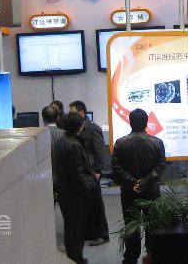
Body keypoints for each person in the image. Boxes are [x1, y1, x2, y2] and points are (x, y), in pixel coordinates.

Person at [112, 108, 166, 264]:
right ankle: (152, 255)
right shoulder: (157, 142)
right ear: (147, 122)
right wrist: (145, 182)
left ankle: (130, 257)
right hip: (151, 190)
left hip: (129, 191)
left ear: (130, 122)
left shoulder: (120, 143)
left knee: (131, 225)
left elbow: (116, 167)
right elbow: (161, 166)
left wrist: (133, 182)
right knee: (153, 224)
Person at [55, 112, 97, 264]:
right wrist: (89, 189)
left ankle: (75, 257)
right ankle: (76, 259)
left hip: (65, 192)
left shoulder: (61, 141)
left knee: (71, 228)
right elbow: (78, 175)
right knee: (76, 230)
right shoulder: (74, 145)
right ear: (79, 126)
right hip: (75, 195)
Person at [69, 100, 110, 247]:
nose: (70, 116)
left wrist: (98, 171)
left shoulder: (92, 128)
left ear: (81, 112)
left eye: (73, 112)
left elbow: (100, 151)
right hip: (84, 172)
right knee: (88, 204)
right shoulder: (77, 129)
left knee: (97, 205)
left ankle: (102, 234)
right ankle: (91, 232)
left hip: (93, 172)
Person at [42, 105, 64, 196]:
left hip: (44, 176)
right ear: (58, 118)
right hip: (64, 176)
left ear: (43, 118)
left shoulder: (39, 136)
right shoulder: (65, 134)